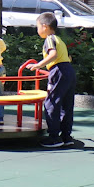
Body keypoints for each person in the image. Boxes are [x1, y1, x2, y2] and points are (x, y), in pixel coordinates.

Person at [27, 12, 76, 148]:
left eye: (38, 27)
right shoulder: (60, 40)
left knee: (51, 103)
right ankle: (66, 136)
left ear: (45, 26)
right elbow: (67, 57)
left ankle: (54, 137)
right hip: (68, 70)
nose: (37, 30)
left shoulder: (49, 39)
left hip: (58, 71)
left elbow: (53, 54)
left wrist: (38, 64)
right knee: (66, 104)